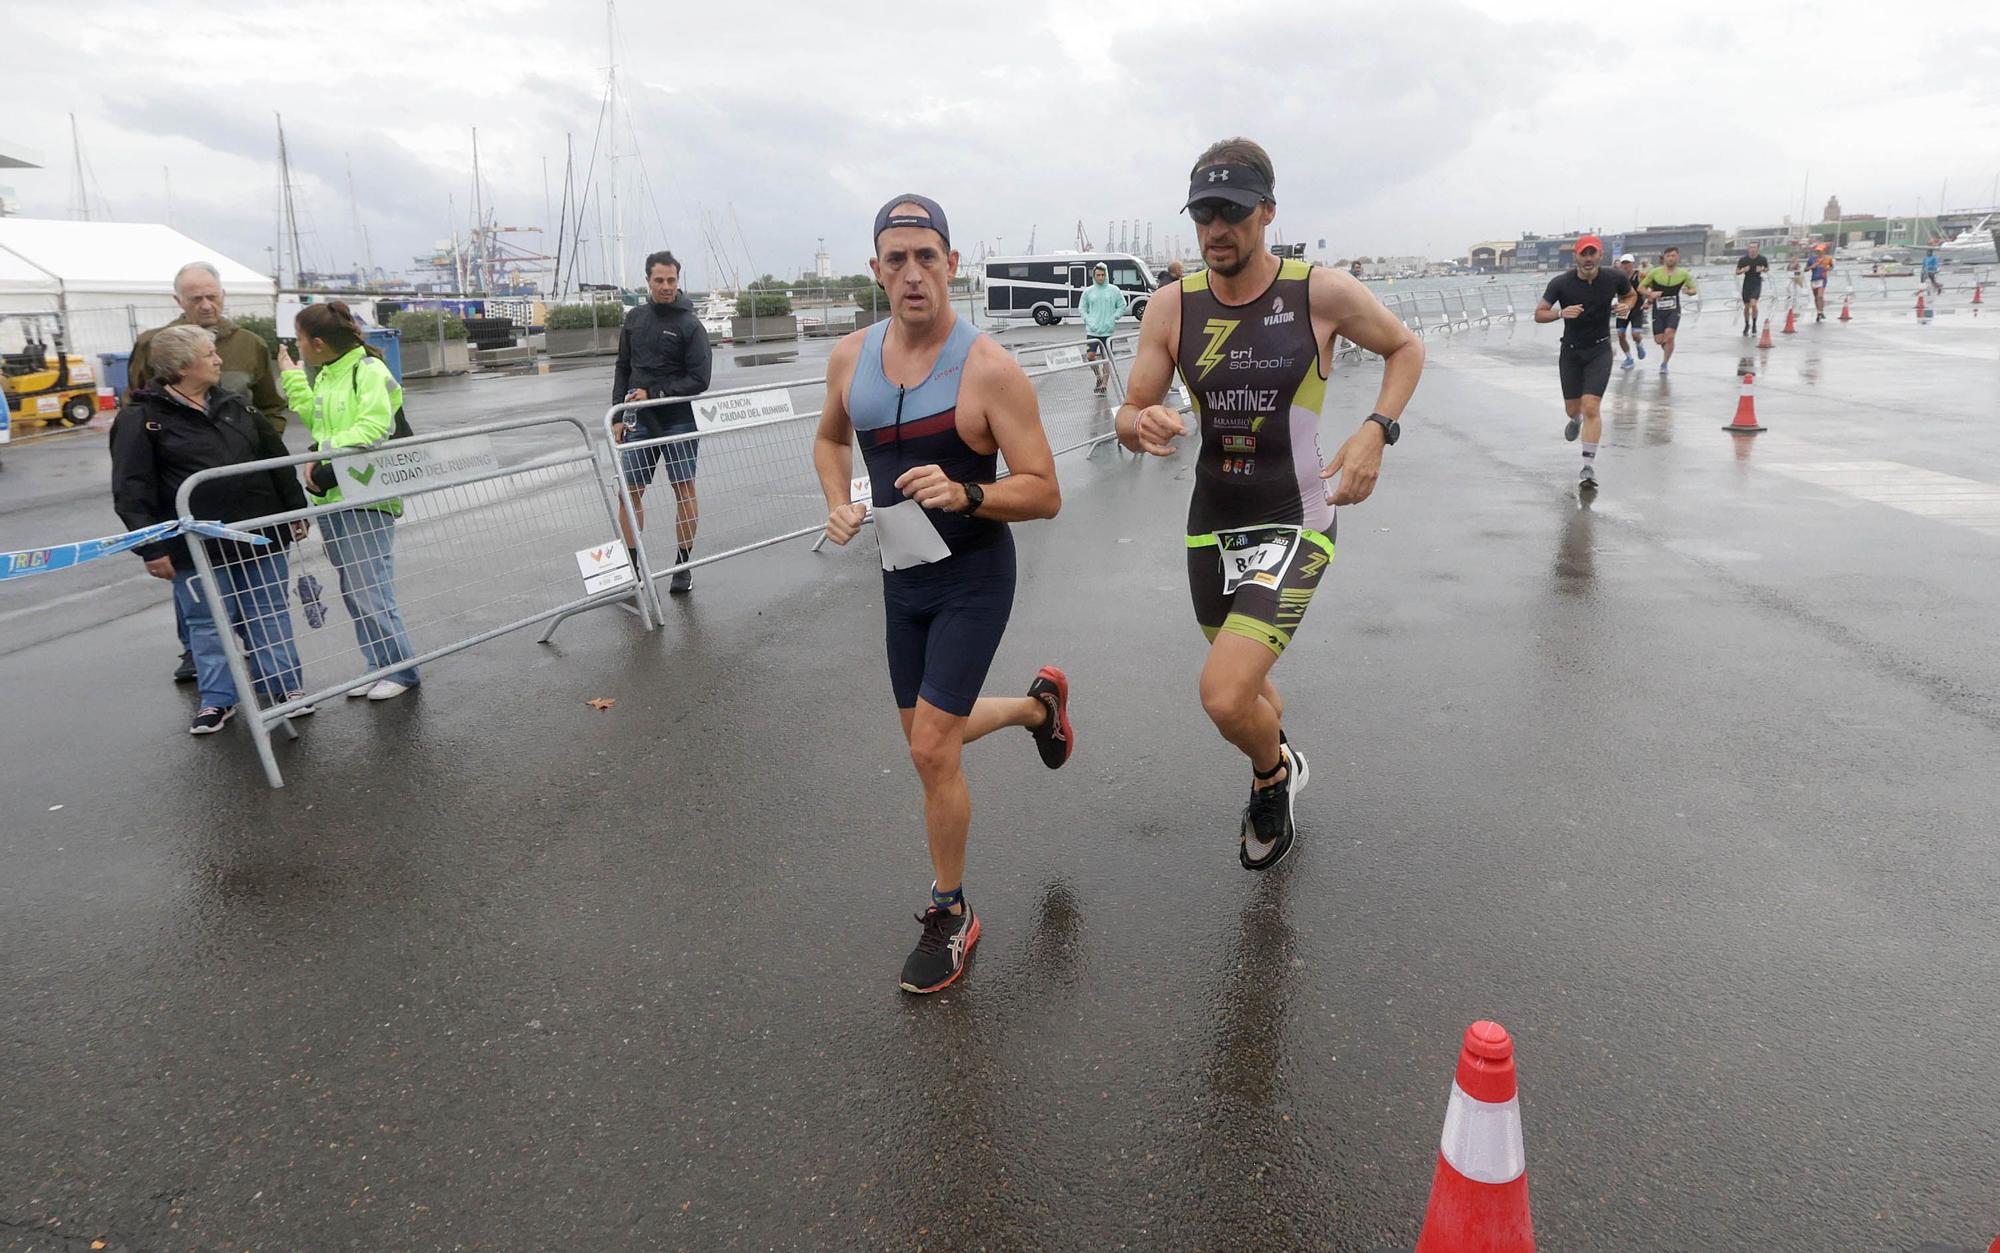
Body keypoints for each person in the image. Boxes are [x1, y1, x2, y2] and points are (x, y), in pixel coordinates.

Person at [1116, 138, 1423, 871]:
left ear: (1268, 212)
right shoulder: (1173, 306)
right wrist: (1140, 423)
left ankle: (1272, 776)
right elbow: (1130, 411)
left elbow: (1405, 349)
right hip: (1211, 525)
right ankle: (1276, 749)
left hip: (1297, 515)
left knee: (1224, 695)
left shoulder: (1319, 292)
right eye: (1203, 213)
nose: (1216, 228)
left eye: (1233, 211)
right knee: (1255, 693)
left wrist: (1377, 429)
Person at [813, 194, 1072, 994]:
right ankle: (1039, 707)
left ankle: (952, 910)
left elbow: (1045, 491)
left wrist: (967, 494)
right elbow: (828, 438)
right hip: (900, 578)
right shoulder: (850, 359)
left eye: (928, 256)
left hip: (972, 575)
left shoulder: (988, 367)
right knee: (935, 739)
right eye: (897, 259)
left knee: (931, 747)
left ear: (952, 264)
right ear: (876, 271)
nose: (913, 273)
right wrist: (836, 499)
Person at [110, 325, 310, 735]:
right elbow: (131, 488)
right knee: (207, 623)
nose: (219, 360)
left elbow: (274, 459)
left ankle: (286, 688)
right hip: (195, 548)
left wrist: (295, 511)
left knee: (269, 613)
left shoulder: (237, 406)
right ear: (183, 366)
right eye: (209, 354)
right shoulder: (141, 419)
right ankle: (218, 700)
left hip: (260, 536)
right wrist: (151, 547)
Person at [130, 261, 291, 685]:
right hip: (190, 500)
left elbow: (271, 406)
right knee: (200, 599)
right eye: (195, 297)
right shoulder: (153, 344)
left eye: (212, 295)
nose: (205, 304)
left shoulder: (251, 345)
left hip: (248, 493)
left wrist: (254, 444)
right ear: (178, 300)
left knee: (262, 600)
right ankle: (202, 668)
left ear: (223, 294)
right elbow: (139, 407)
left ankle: (274, 680)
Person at [278, 302, 421, 701]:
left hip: (368, 495)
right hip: (335, 495)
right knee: (353, 586)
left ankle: (401, 669)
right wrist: (292, 379)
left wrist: (322, 451)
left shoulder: (369, 371)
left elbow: (375, 427)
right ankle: (379, 666)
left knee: (369, 586)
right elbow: (316, 418)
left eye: (301, 340)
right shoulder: (327, 375)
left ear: (319, 343)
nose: (299, 346)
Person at [613, 251, 713, 594]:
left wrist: (653, 392)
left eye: (671, 280)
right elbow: (623, 367)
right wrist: (616, 412)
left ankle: (682, 567)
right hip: (638, 420)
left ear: (678, 280)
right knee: (628, 493)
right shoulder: (635, 319)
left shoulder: (690, 325)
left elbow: (700, 379)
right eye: (659, 280)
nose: (666, 287)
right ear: (648, 281)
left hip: (678, 420)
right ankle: (633, 569)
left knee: (684, 490)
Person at [1535, 235, 1633, 492]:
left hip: (1600, 349)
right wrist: (1559, 313)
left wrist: (1626, 307)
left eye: (1593, 254)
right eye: (1583, 254)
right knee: (1574, 409)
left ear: (1600, 255)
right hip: (1570, 353)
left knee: (1592, 406)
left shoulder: (1614, 278)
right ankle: (1575, 420)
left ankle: (1587, 466)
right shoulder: (1561, 283)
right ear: (1576, 257)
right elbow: (1539, 313)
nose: (1588, 259)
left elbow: (1631, 296)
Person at [1640, 246, 1696, 373]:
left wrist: (1688, 291)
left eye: (1673, 256)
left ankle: (1664, 364)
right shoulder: (1655, 272)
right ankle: (1667, 348)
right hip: (1658, 310)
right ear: (1664, 258)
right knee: (1659, 340)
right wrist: (1650, 294)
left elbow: (1694, 289)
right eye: (1668, 256)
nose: (1671, 258)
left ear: (1678, 257)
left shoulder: (1684, 274)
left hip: (1674, 309)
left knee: (1670, 336)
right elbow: (1641, 287)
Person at [1079, 260, 1124, 395]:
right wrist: (1088, 320)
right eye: (1098, 275)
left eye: (1102, 275)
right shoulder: (1088, 291)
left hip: (1107, 330)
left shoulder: (1114, 290)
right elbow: (1082, 308)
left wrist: (1114, 317)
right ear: (1094, 276)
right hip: (1092, 330)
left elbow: (1122, 305)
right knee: (1091, 356)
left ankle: (1104, 385)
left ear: (1106, 275)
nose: (1100, 278)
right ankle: (1098, 377)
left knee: (1106, 359)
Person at [1614, 253, 1651, 369]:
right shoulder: (1617, 277)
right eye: (1623, 263)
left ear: (1632, 264)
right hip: (1622, 308)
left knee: (1635, 334)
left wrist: (1648, 301)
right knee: (1620, 334)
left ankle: (1639, 343)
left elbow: (1651, 286)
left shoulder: (1639, 275)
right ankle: (1629, 358)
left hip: (1636, 308)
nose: (1625, 266)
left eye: (1628, 263)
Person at [1736, 241, 1770, 336]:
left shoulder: (1762, 259)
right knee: (1747, 307)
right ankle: (1747, 324)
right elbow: (1737, 271)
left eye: (1755, 247)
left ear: (1758, 249)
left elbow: (1767, 268)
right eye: (1751, 247)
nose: (1752, 249)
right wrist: (1743, 270)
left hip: (1757, 282)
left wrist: (1763, 269)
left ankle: (1754, 324)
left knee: (1753, 304)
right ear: (1748, 249)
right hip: (1747, 283)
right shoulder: (1743, 260)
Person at [1807, 244, 1834, 321]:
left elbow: (1832, 266)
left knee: (1820, 296)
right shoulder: (1812, 259)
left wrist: (1829, 268)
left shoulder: (1828, 259)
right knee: (1816, 297)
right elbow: (1805, 269)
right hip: (1814, 279)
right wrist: (1811, 267)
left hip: (1823, 279)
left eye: (1820, 250)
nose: (1818, 252)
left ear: (1823, 251)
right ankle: (1819, 312)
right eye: (1817, 251)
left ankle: (1821, 311)